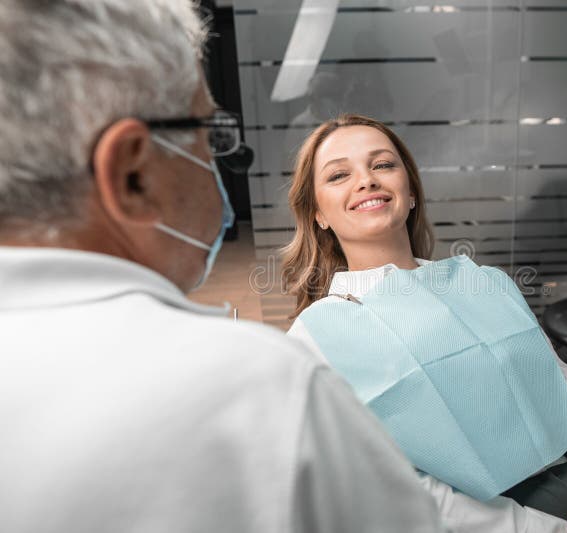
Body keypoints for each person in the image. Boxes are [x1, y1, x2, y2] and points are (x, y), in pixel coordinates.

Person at [0, 3, 445, 532]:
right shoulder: (267, 385)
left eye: (383, 164)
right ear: (133, 174)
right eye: (209, 135)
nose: (222, 160)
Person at [283, 114, 567, 533]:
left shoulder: (486, 283)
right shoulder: (316, 336)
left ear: (409, 193)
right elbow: (385, 484)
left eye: (383, 165)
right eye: (339, 175)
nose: (366, 180)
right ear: (318, 214)